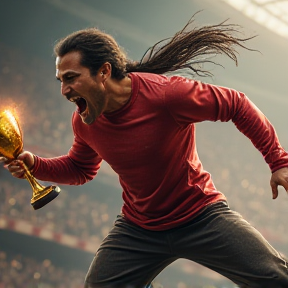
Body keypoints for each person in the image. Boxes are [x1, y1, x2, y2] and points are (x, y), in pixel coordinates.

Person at [1, 15, 288, 288]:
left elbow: (236, 104)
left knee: (276, 278)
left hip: (201, 216)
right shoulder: (84, 121)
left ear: (104, 71)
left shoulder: (166, 95)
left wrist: (277, 161)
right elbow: (81, 169)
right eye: (61, 80)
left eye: (71, 78)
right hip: (139, 228)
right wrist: (35, 164)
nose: (64, 90)